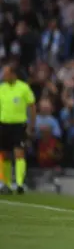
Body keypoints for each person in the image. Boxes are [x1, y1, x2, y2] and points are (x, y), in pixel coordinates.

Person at [0, 64, 36, 194]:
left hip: (18, 125)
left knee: (19, 153)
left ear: (13, 74)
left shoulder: (23, 88)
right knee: (5, 155)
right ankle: (7, 184)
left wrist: (31, 125)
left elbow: (32, 105)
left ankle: (20, 184)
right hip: (3, 124)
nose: (3, 76)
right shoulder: (1, 88)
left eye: (5, 73)